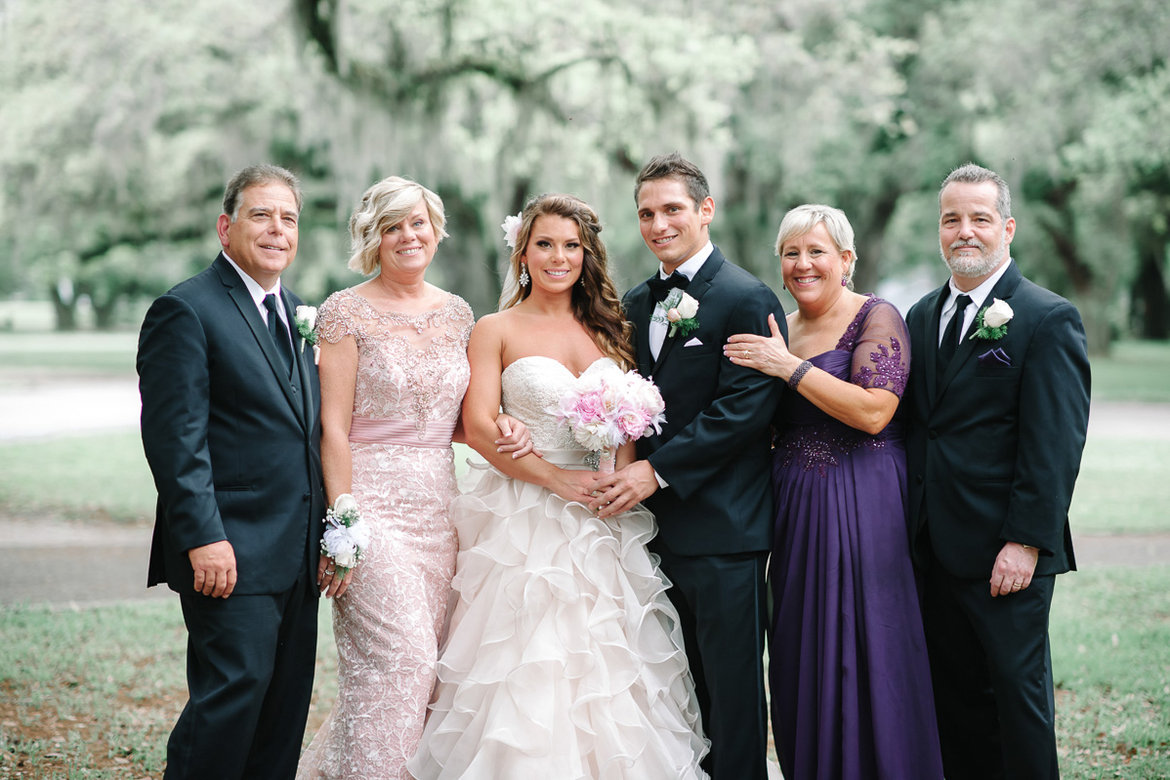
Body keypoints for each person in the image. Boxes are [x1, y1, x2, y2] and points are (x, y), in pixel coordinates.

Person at [408, 193, 709, 778]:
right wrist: (556, 479)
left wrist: (616, 477)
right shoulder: (494, 329)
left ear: (587, 254)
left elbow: (627, 420)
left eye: (571, 245)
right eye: (544, 244)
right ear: (523, 252)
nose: (558, 257)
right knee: (530, 665)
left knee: (609, 668)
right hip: (524, 521)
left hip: (603, 520)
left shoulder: (610, 328)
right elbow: (477, 426)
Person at [296, 176, 531, 779]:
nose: (407, 236)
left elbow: (455, 420)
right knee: (402, 660)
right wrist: (343, 519)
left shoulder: (457, 314)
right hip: (372, 511)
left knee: (433, 673)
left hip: (440, 509)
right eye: (392, 226)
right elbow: (334, 427)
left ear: (436, 230)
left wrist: (504, 426)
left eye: (417, 223)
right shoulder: (344, 311)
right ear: (373, 238)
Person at [724, 204, 944, 779]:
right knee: (801, 646)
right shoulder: (781, 326)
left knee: (872, 638)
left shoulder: (877, 317)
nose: (803, 265)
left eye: (816, 251)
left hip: (867, 493)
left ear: (846, 259)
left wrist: (788, 368)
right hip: (793, 503)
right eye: (791, 254)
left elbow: (874, 412)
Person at [589, 153, 784, 779]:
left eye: (672, 209)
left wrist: (654, 472)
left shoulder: (746, 297)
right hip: (648, 538)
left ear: (705, 210)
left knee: (731, 696)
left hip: (725, 531)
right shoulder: (636, 301)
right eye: (646, 213)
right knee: (674, 695)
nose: (658, 224)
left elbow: (744, 410)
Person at [138, 164, 325, 779]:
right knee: (230, 703)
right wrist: (202, 537)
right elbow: (175, 441)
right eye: (261, 214)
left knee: (282, 711)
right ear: (226, 227)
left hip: (295, 555)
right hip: (228, 551)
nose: (278, 229)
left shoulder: (297, 312)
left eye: (289, 218)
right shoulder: (185, 310)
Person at [904, 163, 1091, 779]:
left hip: (1005, 554)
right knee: (954, 705)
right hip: (932, 548)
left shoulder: (1045, 317)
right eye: (952, 219)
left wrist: (1026, 540)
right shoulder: (921, 317)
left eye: (980, 218)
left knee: (1018, 702)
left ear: (1006, 228)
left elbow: (1055, 443)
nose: (965, 231)